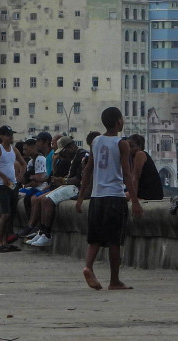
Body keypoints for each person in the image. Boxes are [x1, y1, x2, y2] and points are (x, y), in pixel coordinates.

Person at [75, 107, 142, 290]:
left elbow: (88, 170)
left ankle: (88, 266)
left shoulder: (96, 141)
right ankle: (114, 280)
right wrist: (135, 201)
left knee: (94, 238)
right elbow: (127, 175)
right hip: (115, 196)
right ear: (119, 122)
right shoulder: (122, 143)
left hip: (97, 197)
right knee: (114, 240)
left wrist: (81, 197)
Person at [0, 125, 25, 252]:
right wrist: (3, 177)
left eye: (11, 135)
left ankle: (5, 241)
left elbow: (23, 163)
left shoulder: (14, 150)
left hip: (13, 185)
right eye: (9, 135)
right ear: (2, 136)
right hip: (1, 185)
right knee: (5, 213)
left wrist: (21, 175)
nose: (11, 137)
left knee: (10, 214)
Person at [128, 134, 164, 201]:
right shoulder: (131, 158)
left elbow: (135, 178)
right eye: (128, 146)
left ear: (140, 146)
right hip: (143, 190)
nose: (129, 149)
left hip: (150, 192)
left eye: (132, 146)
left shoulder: (140, 154)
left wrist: (134, 199)